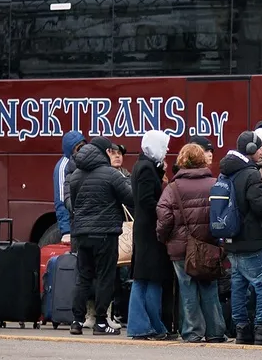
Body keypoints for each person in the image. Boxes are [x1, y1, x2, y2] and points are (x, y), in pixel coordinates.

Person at [221, 131, 262, 346]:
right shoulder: (250, 173)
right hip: (253, 240)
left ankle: (242, 331)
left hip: (231, 239)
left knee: (238, 285)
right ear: (250, 149)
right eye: (258, 147)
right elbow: (259, 205)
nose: (261, 151)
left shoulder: (225, 172)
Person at [157, 143, 228, 343]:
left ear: (181, 161)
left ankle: (192, 332)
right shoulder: (215, 184)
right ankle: (215, 332)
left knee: (187, 289)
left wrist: (164, 239)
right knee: (209, 287)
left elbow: (164, 218)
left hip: (181, 248)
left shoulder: (172, 188)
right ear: (201, 160)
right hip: (210, 246)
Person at [68, 138, 134, 335]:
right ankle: (101, 322)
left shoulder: (76, 176)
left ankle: (76, 321)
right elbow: (130, 198)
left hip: (82, 234)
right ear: (105, 151)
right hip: (105, 234)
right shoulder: (111, 175)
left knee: (83, 277)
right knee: (105, 277)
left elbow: (74, 204)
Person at [128, 130, 174, 340]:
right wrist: (165, 211)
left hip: (144, 229)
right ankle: (148, 325)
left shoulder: (143, 165)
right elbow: (148, 201)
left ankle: (147, 325)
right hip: (150, 231)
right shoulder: (147, 169)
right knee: (150, 278)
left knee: (144, 277)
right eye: (164, 146)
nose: (167, 150)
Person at [53, 130, 86, 247]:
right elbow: (61, 200)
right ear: (70, 149)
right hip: (74, 223)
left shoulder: (86, 161)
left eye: (84, 145)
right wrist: (66, 231)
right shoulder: (62, 167)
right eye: (78, 147)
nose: (82, 149)